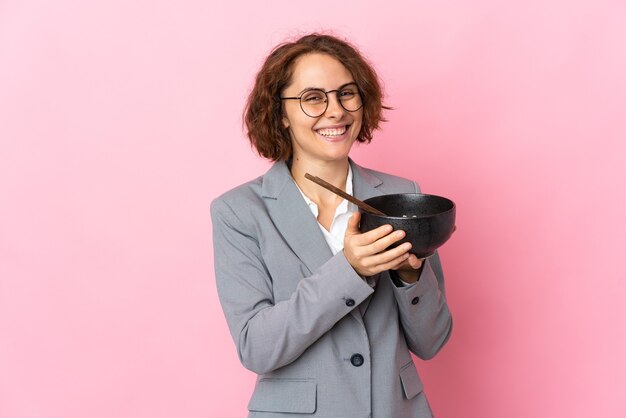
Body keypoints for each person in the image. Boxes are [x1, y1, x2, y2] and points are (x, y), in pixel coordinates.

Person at [211, 33, 452, 418]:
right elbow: (257, 347)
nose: (336, 111)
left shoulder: (402, 195)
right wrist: (349, 270)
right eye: (313, 98)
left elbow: (431, 341)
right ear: (280, 114)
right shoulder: (239, 211)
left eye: (346, 94)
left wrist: (411, 275)